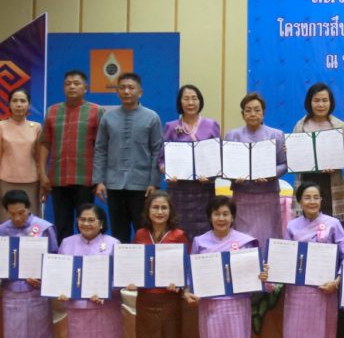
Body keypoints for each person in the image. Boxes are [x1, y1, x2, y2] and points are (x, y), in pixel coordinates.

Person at [268, 181, 344, 338]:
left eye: (316, 197)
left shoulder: (333, 224)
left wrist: (337, 280)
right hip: (297, 294)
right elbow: (284, 258)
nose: (312, 201)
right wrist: (273, 271)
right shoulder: (292, 226)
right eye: (307, 197)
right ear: (299, 201)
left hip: (324, 293)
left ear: (322, 200)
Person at [185, 196, 258, 338]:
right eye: (217, 214)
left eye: (226, 214)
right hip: (209, 305)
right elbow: (192, 273)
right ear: (210, 217)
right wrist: (189, 291)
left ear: (233, 217)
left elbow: (254, 274)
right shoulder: (200, 242)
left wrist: (261, 275)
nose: (221, 218)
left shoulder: (246, 241)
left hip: (236, 304)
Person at [58, 204, 124, 338]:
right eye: (82, 219)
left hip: (105, 307)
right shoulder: (67, 243)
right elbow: (59, 274)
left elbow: (121, 276)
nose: (86, 224)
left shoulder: (113, 244)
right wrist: (60, 289)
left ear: (101, 223)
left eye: (91, 220)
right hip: (77, 308)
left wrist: (107, 290)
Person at [132, 190, 190, 338]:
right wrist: (130, 280)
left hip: (168, 299)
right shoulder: (139, 234)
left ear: (170, 211)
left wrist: (181, 285)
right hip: (145, 298)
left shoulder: (178, 235)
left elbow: (186, 268)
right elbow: (133, 264)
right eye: (155, 207)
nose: (159, 211)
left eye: (163, 208)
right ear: (148, 210)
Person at [0, 190, 58, 338]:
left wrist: (43, 276)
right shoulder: (2, 231)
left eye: (21, 213)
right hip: (11, 293)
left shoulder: (43, 228)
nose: (17, 218)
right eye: (12, 214)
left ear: (29, 209)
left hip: (37, 294)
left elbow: (55, 259)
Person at [93, 72, 162, 243]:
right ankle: (120, 268)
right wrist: (99, 181)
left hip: (142, 185)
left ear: (140, 92)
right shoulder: (108, 117)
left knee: (143, 232)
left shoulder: (151, 117)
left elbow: (157, 151)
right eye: (122, 88)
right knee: (118, 232)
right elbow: (100, 149)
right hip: (114, 184)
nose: (126, 91)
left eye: (131, 88)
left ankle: (145, 267)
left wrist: (154, 182)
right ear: (117, 92)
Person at [39, 70, 104, 243]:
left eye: (76, 83)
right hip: (58, 179)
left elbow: (102, 148)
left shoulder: (97, 111)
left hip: (85, 179)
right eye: (68, 83)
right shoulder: (52, 111)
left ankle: (88, 259)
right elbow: (45, 143)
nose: (72, 86)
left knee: (87, 224)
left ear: (86, 88)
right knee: (62, 224)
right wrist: (43, 174)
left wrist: (100, 178)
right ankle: (64, 262)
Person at [224, 92, 287, 250]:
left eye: (257, 110)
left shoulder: (276, 135)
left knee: (268, 236)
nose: (253, 114)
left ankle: (267, 271)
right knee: (242, 238)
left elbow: (285, 164)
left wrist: (270, 173)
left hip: (268, 195)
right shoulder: (232, 135)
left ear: (263, 112)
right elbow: (225, 165)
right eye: (248, 110)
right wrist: (233, 177)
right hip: (242, 196)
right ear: (242, 113)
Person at [160, 85, 221, 240]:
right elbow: (161, 158)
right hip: (178, 189)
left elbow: (218, 157)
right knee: (177, 229)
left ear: (200, 101)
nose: (190, 102)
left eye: (194, 98)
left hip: (204, 189)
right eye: (186, 98)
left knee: (204, 230)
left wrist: (212, 174)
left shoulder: (211, 125)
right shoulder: (171, 126)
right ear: (180, 102)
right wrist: (167, 170)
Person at [291, 82, 344, 222]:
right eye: (316, 100)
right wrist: (291, 151)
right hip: (306, 180)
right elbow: (293, 157)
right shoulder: (301, 125)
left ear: (331, 102)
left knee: (331, 226)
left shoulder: (339, 126)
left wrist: (337, 164)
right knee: (306, 226)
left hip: (331, 182)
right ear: (309, 102)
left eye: (325, 100)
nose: (321, 105)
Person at [0, 88, 42, 221]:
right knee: (6, 221)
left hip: (31, 183)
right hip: (5, 182)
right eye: (15, 101)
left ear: (29, 105)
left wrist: (42, 182)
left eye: (23, 101)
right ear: (9, 104)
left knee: (30, 222)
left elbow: (40, 158)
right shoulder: (1, 126)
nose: (19, 104)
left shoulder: (36, 127)